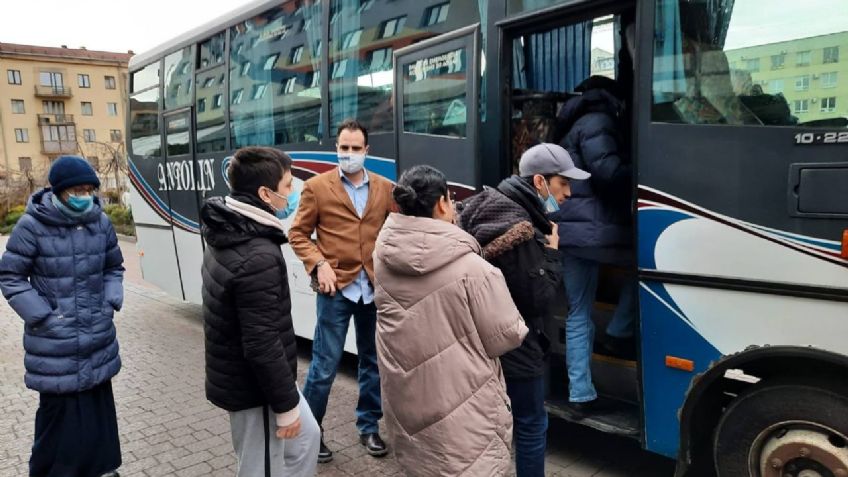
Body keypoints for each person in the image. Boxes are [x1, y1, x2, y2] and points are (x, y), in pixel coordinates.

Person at [373, 165, 528, 476]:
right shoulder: (475, 268)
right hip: (464, 410)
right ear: (443, 203)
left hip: (407, 405)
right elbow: (507, 336)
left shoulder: (384, 253)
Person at [459, 144, 589, 477]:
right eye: (563, 184)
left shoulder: (493, 206)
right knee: (531, 424)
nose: (569, 193)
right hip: (517, 345)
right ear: (539, 182)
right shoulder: (519, 227)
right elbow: (538, 299)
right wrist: (553, 254)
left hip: (484, 339)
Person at [0, 155, 124, 477]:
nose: (85, 196)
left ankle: (101, 469)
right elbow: (10, 276)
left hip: (97, 337)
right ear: (58, 191)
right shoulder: (32, 225)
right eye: (77, 191)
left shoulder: (101, 222)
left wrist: (110, 300)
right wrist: (43, 315)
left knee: (98, 413)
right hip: (55, 343)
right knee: (59, 420)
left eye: (89, 189)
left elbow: (113, 267)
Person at [200, 146, 320, 476]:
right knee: (259, 468)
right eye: (287, 186)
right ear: (265, 193)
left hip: (257, 378)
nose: (293, 193)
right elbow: (261, 342)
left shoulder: (230, 230)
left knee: (307, 438)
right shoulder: (257, 254)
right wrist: (285, 405)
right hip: (256, 389)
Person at [288, 119, 394, 462]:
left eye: (355, 149)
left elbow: (396, 231)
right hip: (335, 291)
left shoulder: (385, 188)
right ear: (337, 148)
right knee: (324, 366)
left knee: (373, 362)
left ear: (366, 151)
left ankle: (369, 427)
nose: (348, 154)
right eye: (343, 148)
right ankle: (310, 433)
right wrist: (318, 264)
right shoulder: (317, 188)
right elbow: (298, 234)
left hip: (373, 288)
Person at [553, 75, 638, 415]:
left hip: (572, 235)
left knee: (578, 313)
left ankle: (580, 393)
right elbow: (609, 173)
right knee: (643, 268)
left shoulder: (569, 126)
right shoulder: (599, 121)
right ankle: (619, 331)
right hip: (599, 232)